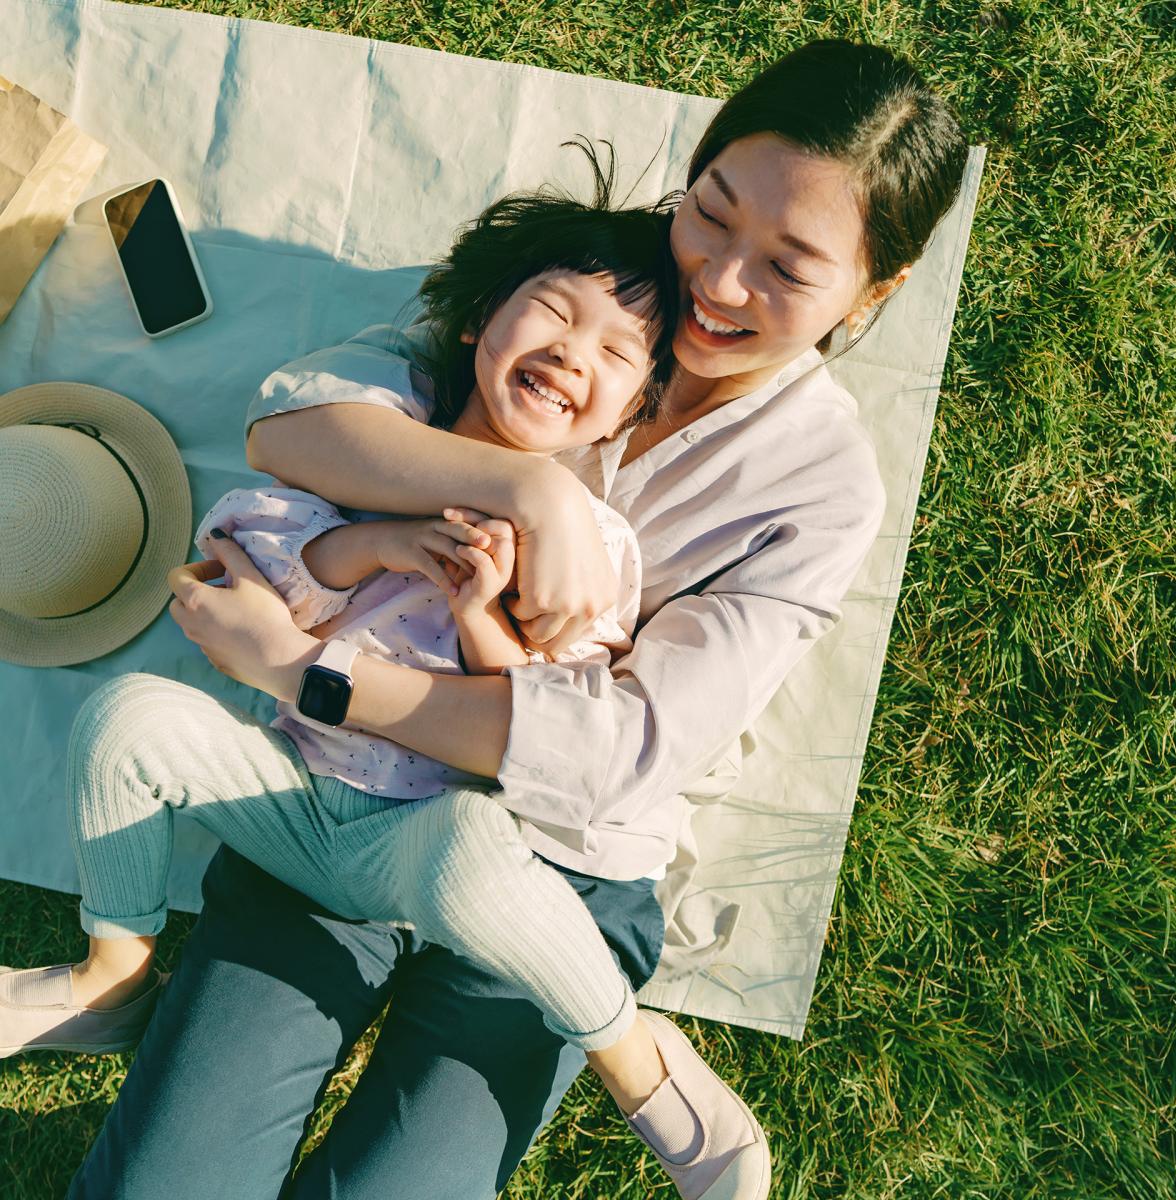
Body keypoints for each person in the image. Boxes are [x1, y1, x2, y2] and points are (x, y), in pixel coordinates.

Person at [51, 38, 964, 1199]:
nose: (719, 283)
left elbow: (618, 753)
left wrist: (306, 675)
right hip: (334, 807)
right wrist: (526, 485)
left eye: (788, 266)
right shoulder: (583, 279)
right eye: (714, 211)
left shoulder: (820, 489)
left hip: (555, 874)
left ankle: (641, 1067)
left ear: (873, 292)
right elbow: (295, 424)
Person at [1, 167, 772, 1199]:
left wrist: (478, 620)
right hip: (295, 806)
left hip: (423, 838)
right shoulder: (371, 451)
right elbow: (258, 569)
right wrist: (381, 544)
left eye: (615, 352)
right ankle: (112, 975)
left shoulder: (594, 545)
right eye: (549, 310)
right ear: (473, 324)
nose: (568, 351)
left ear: (628, 413)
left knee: (473, 854)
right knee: (131, 715)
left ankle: (639, 1065)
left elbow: (550, 726)